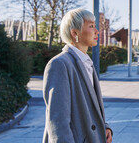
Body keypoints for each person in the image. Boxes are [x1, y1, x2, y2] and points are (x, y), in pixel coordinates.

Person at [42, 8, 113, 143]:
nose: (97, 31)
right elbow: (58, 122)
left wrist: (104, 127)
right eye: (91, 26)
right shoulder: (60, 64)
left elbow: (91, 107)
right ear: (75, 33)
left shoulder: (86, 63)